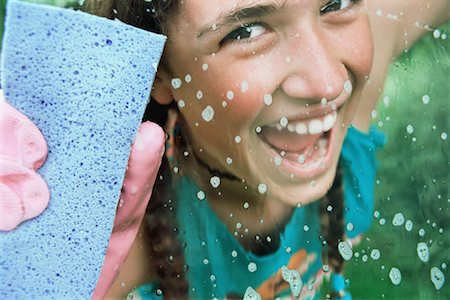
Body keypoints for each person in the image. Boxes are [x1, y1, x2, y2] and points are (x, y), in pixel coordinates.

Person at [1, 0, 448, 299]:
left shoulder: (360, 74)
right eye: (247, 31)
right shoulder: (125, 236)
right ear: (158, 71)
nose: (328, 82)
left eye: (334, 2)